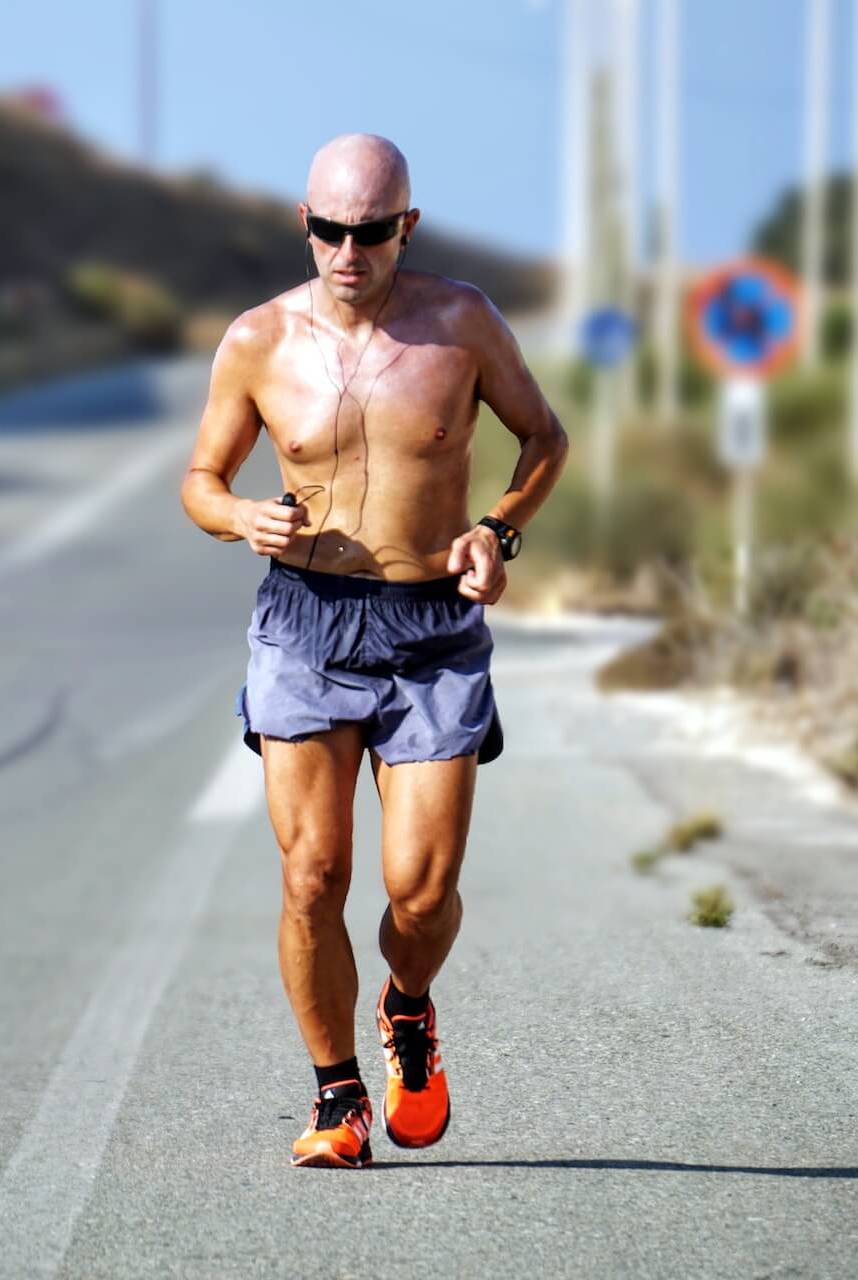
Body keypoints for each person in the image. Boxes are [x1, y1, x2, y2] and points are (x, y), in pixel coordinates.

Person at [177, 134, 569, 1168]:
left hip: (432, 626)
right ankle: (338, 1094)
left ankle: (406, 1004)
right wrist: (236, 517)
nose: (346, 251)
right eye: (327, 230)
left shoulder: (463, 323)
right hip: (305, 618)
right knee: (312, 873)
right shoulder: (259, 339)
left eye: (369, 231)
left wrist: (498, 529)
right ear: (304, 224)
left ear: (408, 226)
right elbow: (201, 478)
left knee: (421, 892)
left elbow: (545, 437)